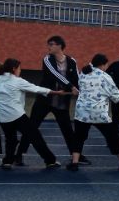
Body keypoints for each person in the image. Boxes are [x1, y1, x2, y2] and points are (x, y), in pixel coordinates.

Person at [69, 54, 119, 172]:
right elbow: (116, 95)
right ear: (103, 64)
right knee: (113, 137)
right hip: (99, 113)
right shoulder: (105, 77)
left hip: (82, 112)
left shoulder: (83, 73)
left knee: (78, 137)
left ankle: (74, 163)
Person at [0, 58, 62, 169]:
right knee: (35, 137)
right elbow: (36, 89)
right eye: (19, 68)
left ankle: (7, 161)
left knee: (10, 139)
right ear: (14, 69)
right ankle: (50, 161)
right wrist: (56, 92)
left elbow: (2, 70)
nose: (20, 70)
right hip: (17, 115)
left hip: (2, 117)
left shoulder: (0, 78)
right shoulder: (18, 81)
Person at [29, 35, 84, 163]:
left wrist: (80, 89)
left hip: (61, 102)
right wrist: (71, 87)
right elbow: (55, 74)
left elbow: (76, 78)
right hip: (45, 100)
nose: (48, 47)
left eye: (51, 44)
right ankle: (19, 155)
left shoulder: (71, 61)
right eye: (48, 44)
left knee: (68, 130)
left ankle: (76, 155)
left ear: (59, 45)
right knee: (32, 127)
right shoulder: (47, 59)